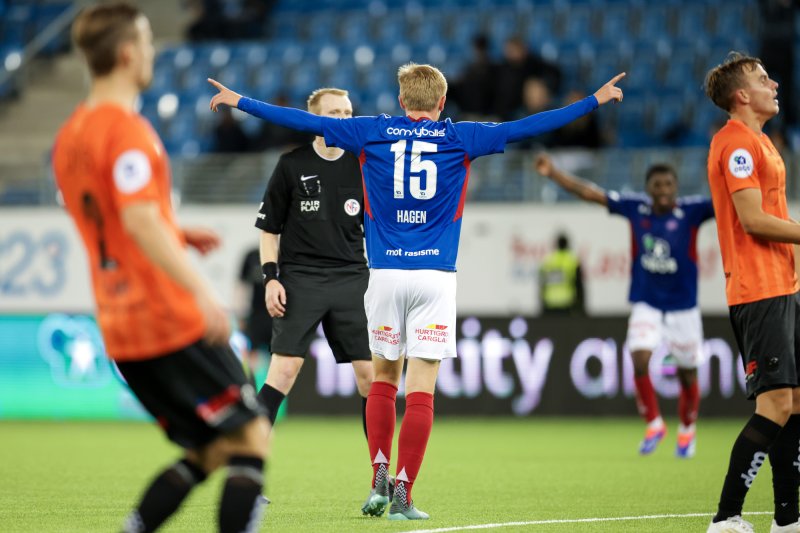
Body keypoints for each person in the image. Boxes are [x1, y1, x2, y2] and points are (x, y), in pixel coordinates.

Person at [209, 63, 625, 520]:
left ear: (402, 101)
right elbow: (527, 127)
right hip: (435, 278)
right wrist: (592, 102)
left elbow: (305, 121)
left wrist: (240, 101)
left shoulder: (371, 132)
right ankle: (404, 490)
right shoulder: (462, 137)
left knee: (383, 379)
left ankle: (379, 476)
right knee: (421, 389)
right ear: (442, 103)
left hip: (383, 275)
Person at [52, 4, 269, 532]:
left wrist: (174, 232)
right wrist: (202, 293)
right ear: (128, 54)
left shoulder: (70, 137)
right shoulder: (127, 131)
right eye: (147, 42)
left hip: (121, 327)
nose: (151, 52)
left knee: (212, 449)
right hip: (166, 317)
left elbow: (110, 217)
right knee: (253, 435)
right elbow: (139, 219)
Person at [535, 154, 714, 458]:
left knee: (687, 374)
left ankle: (686, 429)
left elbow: (729, 199)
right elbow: (591, 193)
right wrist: (554, 173)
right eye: (656, 185)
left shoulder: (693, 211)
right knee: (640, 358)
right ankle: (654, 423)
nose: (662, 190)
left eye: (668, 184)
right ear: (648, 188)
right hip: (646, 303)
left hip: (684, 307)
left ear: (676, 187)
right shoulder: (636, 208)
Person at [704, 52, 800, 533]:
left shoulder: (760, 142)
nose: (775, 84)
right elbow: (754, 221)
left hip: (784, 287)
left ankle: (787, 519)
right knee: (776, 405)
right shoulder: (736, 144)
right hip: (757, 290)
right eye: (764, 79)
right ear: (742, 95)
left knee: (794, 403)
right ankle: (726, 518)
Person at [252, 87, 374, 450]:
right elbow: (269, 232)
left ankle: (380, 479)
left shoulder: (364, 165)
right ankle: (248, 470)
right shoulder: (292, 165)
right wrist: (271, 279)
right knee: (282, 373)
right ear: (314, 119)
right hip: (300, 279)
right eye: (334, 113)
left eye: (348, 113)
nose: (343, 120)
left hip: (352, 278)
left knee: (371, 379)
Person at [235, 246, 272, 369]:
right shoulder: (252, 256)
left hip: (280, 316)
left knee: (279, 357)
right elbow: (242, 285)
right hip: (256, 315)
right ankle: (250, 385)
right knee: (251, 356)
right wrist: (240, 315)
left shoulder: (288, 257)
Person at [539, 232, 585, 316]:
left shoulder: (548, 260)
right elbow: (578, 284)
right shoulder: (572, 261)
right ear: (567, 244)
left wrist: (542, 303)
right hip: (567, 303)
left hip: (549, 303)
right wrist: (581, 306)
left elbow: (542, 284)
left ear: (556, 245)